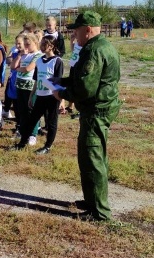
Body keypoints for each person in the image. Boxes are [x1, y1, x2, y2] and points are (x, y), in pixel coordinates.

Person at [52, 11, 121, 221]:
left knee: (93, 158)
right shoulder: (101, 46)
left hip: (96, 111)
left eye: (77, 31)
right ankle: (91, 201)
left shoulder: (94, 51)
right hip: (98, 109)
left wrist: (61, 93)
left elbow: (86, 89)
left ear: (88, 30)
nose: (74, 35)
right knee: (88, 155)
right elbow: (84, 79)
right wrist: (63, 81)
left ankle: (100, 213)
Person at [12, 35, 64, 154]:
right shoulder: (40, 60)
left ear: (51, 46)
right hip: (40, 95)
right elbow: (36, 79)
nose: (41, 46)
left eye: (44, 44)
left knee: (51, 122)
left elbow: (59, 81)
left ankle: (47, 146)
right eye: (41, 43)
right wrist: (32, 95)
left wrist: (61, 99)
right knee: (32, 120)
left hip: (52, 97)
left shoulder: (57, 61)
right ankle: (22, 143)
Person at [13, 32, 43, 145]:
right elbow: (12, 66)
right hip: (20, 85)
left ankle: (33, 134)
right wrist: (20, 59)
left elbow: (28, 69)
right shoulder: (24, 54)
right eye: (24, 44)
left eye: (28, 44)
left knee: (32, 111)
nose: (25, 47)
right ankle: (22, 131)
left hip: (30, 86)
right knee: (22, 111)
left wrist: (18, 68)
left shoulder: (38, 55)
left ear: (35, 43)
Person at [2, 35, 24, 121]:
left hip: (22, 83)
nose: (17, 46)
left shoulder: (29, 56)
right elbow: (9, 62)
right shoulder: (16, 54)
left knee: (21, 105)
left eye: (19, 43)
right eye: (16, 44)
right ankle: (18, 124)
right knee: (15, 105)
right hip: (13, 82)